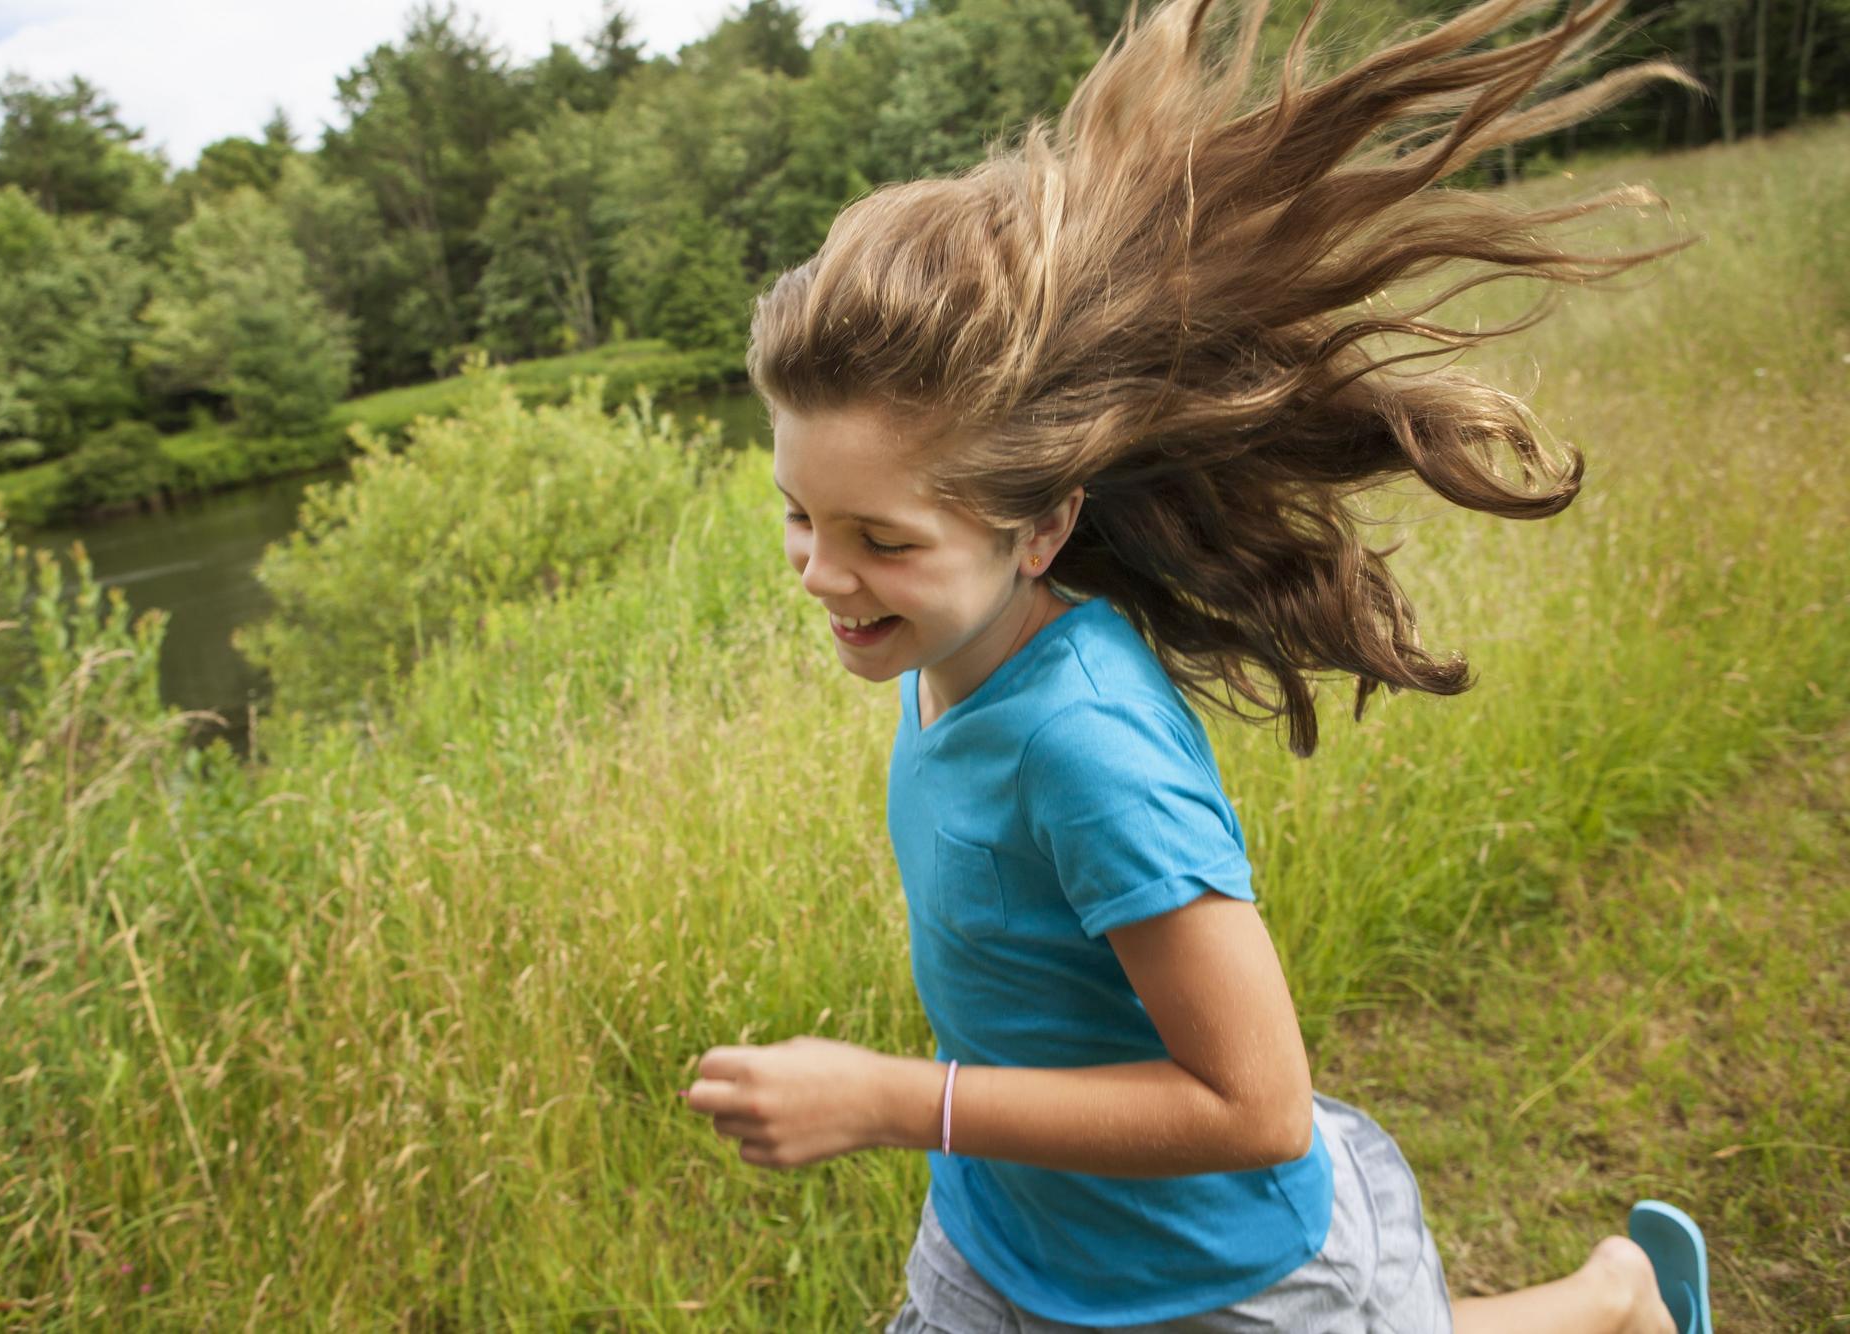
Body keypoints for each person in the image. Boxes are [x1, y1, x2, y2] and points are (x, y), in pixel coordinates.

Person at [683, 0, 1712, 1329]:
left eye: (880, 537)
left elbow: (1257, 1103)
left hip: (1214, 1277)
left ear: (1042, 523)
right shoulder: (945, 647)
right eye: (799, 515)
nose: (821, 574)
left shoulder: (1089, 743)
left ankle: (1617, 1299)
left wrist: (894, 1099)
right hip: (1008, 1238)